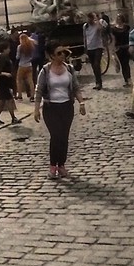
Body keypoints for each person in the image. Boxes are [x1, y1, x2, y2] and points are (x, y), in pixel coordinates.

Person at [34, 47, 86, 179]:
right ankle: (53, 166)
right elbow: (39, 90)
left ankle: (61, 165)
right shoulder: (45, 71)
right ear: (52, 56)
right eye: (59, 53)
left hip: (67, 106)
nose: (62, 55)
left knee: (64, 137)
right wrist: (36, 109)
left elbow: (75, 87)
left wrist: (81, 103)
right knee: (56, 136)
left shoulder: (69, 69)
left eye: (64, 52)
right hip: (51, 107)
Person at [0, 49, 22, 125]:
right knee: (8, 100)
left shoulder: (2, 57)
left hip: (4, 82)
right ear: (5, 49)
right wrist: (5, 74)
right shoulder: (2, 57)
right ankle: (12, 118)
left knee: (3, 101)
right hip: (3, 82)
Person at [82, 13, 105, 91]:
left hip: (98, 46)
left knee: (96, 64)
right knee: (93, 66)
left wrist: (97, 19)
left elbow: (100, 28)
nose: (89, 20)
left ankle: (99, 83)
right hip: (90, 48)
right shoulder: (85, 26)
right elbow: (85, 37)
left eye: (90, 18)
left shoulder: (96, 25)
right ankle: (97, 81)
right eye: (88, 18)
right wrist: (85, 47)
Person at [15, 32, 36, 101]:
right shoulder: (31, 46)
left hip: (21, 65)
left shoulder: (20, 47)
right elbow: (32, 56)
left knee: (19, 80)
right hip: (29, 65)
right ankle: (32, 96)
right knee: (30, 81)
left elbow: (17, 57)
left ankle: (20, 96)